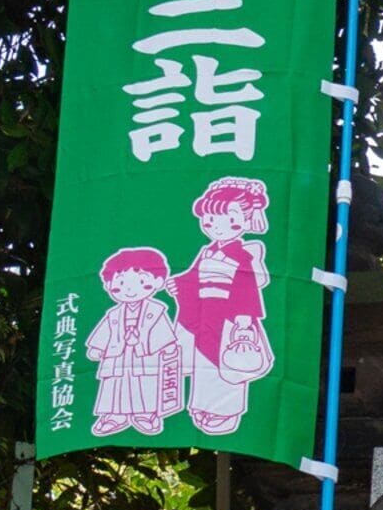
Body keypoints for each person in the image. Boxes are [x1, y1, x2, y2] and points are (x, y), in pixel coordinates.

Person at [176, 177, 278, 435]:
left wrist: (244, 321)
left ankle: (225, 412)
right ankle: (200, 406)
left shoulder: (242, 254)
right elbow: (192, 277)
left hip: (230, 318)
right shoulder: (207, 251)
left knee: (229, 364)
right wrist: (179, 284)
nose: (214, 226)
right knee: (203, 365)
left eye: (226, 219)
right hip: (204, 315)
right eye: (209, 220)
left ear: (243, 221)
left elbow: (247, 288)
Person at [85, 247, 186, 435]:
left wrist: (167, 346)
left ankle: (145, 414)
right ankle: (115, 416)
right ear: (109, 286)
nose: (130, 290)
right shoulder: (114, 314)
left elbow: (163, 332)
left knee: (144, 386)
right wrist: (98, 348)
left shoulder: (155, 311)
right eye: (121, 284)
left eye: (140, 282)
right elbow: (105, 332)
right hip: (118, 356)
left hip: (145, 356)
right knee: (115, 387)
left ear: (157, 282)